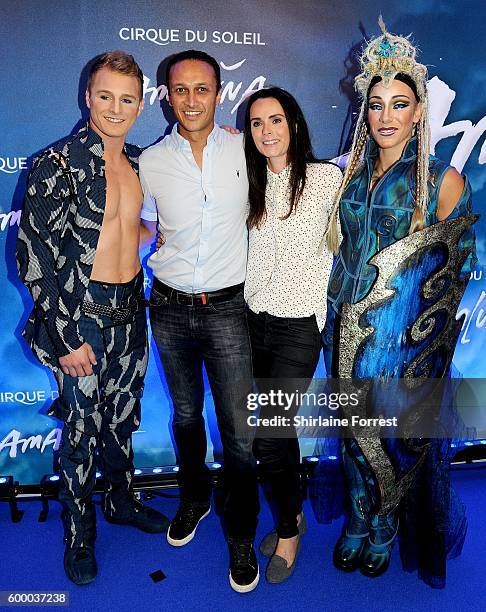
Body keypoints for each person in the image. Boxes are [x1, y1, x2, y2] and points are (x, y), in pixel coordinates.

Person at [319, 19, 477, 587]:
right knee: (351, 434)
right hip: (347, 329)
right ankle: (359, 517)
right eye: (377, 104)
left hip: (401, 340)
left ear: (418, 112)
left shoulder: (443, 183)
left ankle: (384, 523)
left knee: (389, 440)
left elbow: (453, 272)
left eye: (399, 104)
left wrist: (428, 349)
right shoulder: (348, 175)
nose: (386, 115)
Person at [16, 51, 169, 586]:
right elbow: (32, 259)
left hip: (131, 313)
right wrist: (63, 338)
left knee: (122, 421)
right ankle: (79, 533)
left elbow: (127, 230)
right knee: (81, 432)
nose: (115, 107)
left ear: (141, 103)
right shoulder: (56, 164)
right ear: (88, 96)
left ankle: (121, 501)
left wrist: (154, 238)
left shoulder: (139, 161)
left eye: (127, 99)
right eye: (105, 96)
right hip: (79, 320)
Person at [139, 50, 260, 593]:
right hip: (167, 306)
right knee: (186, 417)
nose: (191, 100)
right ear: (167, 94)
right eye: (180, 89)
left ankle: (242, 531)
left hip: (230, 308)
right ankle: (194, 500)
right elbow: (143, 228)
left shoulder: (245, 146)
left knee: (238, 432)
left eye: (202, 89)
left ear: (219, 92)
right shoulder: (151, 161)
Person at [244, 87, 342, 583]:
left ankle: (288, 530)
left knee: (269, 435)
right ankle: (293, 509)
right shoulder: (249, 180)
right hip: (251, 320)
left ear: (295, 125)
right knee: (271, 437)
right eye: (257, 123)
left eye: (276, 120)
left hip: (301, 325)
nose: (267, 131)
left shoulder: (328, 179)